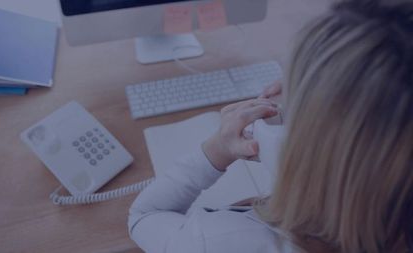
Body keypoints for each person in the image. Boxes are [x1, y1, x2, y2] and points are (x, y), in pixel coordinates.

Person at [128, 0, 413, 252]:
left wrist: (214, 151)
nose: (274, 89)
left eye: (291, 94)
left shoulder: (226, 240)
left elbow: (144, 215)